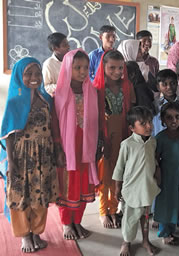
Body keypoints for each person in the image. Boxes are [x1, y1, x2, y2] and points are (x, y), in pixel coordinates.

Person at [0, 57, 58, 253]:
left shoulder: (46, 99)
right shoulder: (15, 101)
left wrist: (56, 152)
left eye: (37, 73)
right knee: (21, 195)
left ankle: (36, 232)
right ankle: (25, 235)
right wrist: (12, 162)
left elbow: (53, 127)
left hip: (45, 155)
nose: (34, 78)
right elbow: (7, 134)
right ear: (18, 75)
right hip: (22, 156)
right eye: (28, 74)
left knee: (41, 195)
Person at [54, 49, 99, 240]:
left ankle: (78, 221)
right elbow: (55, 123)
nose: (82, 71)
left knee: (83, 183)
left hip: (86, 146)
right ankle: (66, 223)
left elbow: (96, 121)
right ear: (67, 67)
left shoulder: (91, 91)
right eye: (77, 67)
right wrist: (58, 147)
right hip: (68, 147)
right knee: (68, 184)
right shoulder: (61, 93)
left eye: (85, 67)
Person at [93, 50, 136, 229]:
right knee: (105, 173)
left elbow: (132, 112)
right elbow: (93, 118)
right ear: (103, 67)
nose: (117, 71)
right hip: (104, 136)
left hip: (123, 135)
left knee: (120, 173)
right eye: (112, 68)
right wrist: (100, 141)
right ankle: (104, 210)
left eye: (120, 67)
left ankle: (115, 208)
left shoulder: (127, 86)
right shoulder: (96, 88)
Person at [113, 106, 161, 256]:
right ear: (132, 128)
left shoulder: (153, 142)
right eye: (143, 123)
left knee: (145, 216)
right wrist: (117, 188)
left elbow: (154, 161)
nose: (149, 126)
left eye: (150, 122)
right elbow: (119, 168)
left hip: (147, 187)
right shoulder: (127, 144)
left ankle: (145, 240)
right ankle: (126, 242)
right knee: (130, 218)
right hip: (132, 189)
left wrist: (158, 177)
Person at [154, 102, 179, 245]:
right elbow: (156, 159)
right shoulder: (160, 137)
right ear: (163, 120)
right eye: (169, 117)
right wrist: (156, 176)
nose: (173, 120)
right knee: (166, 204)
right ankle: (165, 232)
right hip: (166, 176)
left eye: (177, 117)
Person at [152, 69, 179, 136]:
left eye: (172, 83)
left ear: (177, 84)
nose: (169, 87)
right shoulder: (155, 106)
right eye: (164, 84)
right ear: (158, 87)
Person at [42, 32, 70, 96]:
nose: (68, 47)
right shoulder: (48, 64)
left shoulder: (72, 60)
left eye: (68, 44)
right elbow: (46, 87)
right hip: (58, 99)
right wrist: (64, 86)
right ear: (55, 48)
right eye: (65, 45)